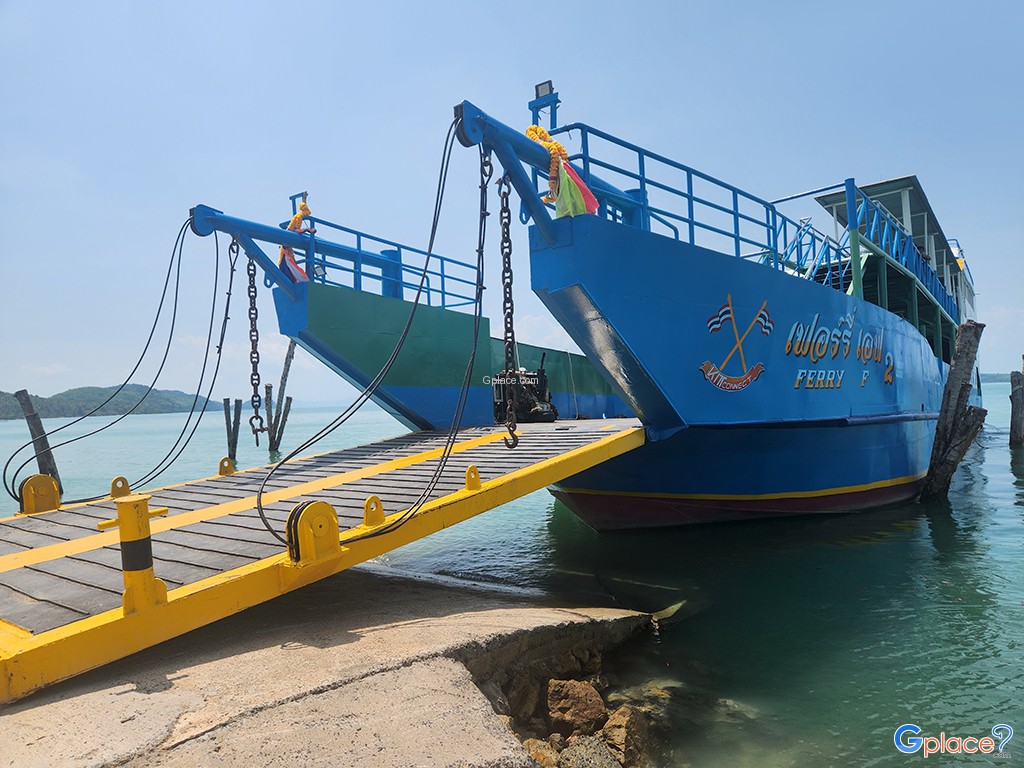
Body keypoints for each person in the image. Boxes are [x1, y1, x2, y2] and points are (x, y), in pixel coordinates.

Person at [279, 200, 316, 282]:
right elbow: (296, 230)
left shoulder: (297, 217)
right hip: (286, 252)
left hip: (286, 252)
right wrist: (307, 229)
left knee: (290, 271)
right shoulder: (299, 217)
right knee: (294, 272)